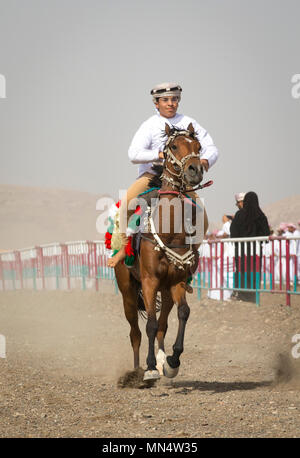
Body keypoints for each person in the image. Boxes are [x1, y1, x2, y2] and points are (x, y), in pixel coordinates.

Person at [108, 82, 219, 267]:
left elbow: (211, 147)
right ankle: (124, 250)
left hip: (180, 182)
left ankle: (191, 254)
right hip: (151, 177)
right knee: (125, 207)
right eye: (165, 100)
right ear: (156, 103)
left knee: (203, 218)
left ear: (179, 101)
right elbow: (133, 153)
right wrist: (158, 155)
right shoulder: (149, 125)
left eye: (174, 99)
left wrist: (206, 160)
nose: (170, 103)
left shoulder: (189, 122)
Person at [230, 191, 270, 301]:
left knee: (242, 271)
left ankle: (243, 295)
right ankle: (254, 296)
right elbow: (266, 234)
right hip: (256, 251)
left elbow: (233, 233)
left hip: (241, 251)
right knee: (254, 271)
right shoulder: (261, 216)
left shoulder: (239, 215)